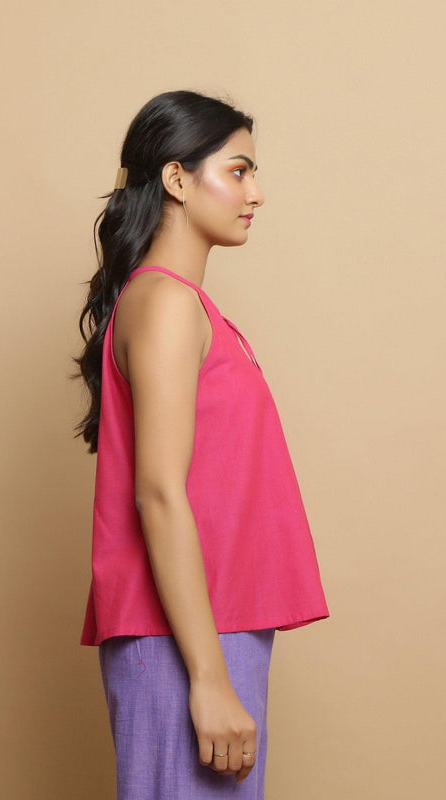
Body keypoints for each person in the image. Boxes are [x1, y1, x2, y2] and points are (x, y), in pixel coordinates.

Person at [75, 90, 328, 799]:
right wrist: (209, 678)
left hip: (211, 624)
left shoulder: (181, 304)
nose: (257, 193)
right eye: (239, 171)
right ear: (178, 179)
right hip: (184, 637)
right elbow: (157, 491)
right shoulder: (165, 305)